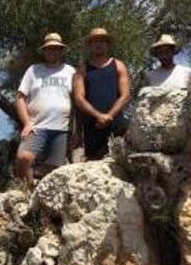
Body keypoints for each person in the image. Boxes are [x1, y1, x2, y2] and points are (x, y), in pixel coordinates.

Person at [15, 32, 75, 182]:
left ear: (61, 51)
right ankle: (28, 190)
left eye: (56, 48)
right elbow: (20, 98)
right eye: (49, 48)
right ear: (44, 51)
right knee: (24, 158)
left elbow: (77, 100)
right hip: (37, 126)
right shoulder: (33, 70)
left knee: (54, 170)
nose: (53, 51)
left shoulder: (70, 71)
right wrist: (27, 122)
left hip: (61, 128)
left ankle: (40, 194)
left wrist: (76, 129)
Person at [73, 27, 132, 161]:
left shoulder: (118, 65)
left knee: (121, 162)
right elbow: (79, 98)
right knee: (95, 166)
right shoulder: (82, 70)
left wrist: (109, 116)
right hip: (92, 126)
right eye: (95, 41)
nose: (98, 44)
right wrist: (99, 116)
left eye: (102, 41)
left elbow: (126, 95)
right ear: (90, 45)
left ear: (107, 44)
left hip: (116, 124)